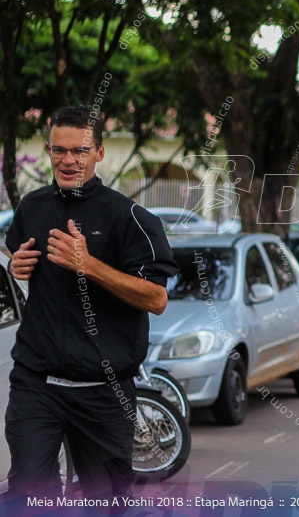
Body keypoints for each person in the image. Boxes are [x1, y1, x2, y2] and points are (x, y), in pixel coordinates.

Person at [3, 105, 178, 506]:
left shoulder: (130, 218)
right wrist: (16, 264)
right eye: (59, 150)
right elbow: (18, 257)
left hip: (105, 392)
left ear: (99, 153)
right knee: (28, 494)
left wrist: (90, 266)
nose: (68, 161)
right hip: (37, 385)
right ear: (48, 150)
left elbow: (157, 298)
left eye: (80, 151)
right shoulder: (31, 208)